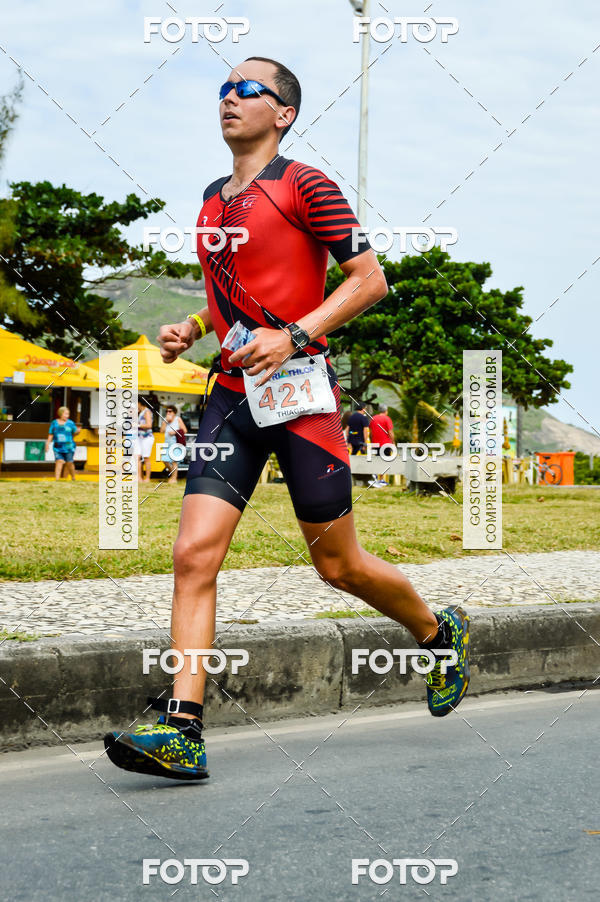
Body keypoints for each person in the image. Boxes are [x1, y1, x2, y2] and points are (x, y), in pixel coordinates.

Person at [104, 57, 470, 781]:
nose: (229, 99)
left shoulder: (306, 184)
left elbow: (370, 280)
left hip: (302, 396)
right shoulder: (212, 199)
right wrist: (190, 325)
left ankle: (436, 631)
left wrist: (296, 336)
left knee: (338, 565)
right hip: (233, 399)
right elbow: (237, 298)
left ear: (284, 113)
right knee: (192, 555)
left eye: (248, 90)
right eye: (222, 89)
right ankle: (183, 730)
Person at [45, 406, 79, 480]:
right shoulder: (54, 423)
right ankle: (57, 479)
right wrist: (47, 443)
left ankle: (73, 477)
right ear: (60, 414)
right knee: (59, 461)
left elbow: (75, 432)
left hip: (69, 447)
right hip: (58, 447)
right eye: (65, 414)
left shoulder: (70, 423)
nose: (67, 416)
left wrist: (78, 431)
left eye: (68, 414)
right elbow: (51, 434)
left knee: (69, 463)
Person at [161, 404, 187, 484]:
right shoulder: (165, 420)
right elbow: (161, 431)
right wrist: (165, 422)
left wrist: (175, 432)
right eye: (167, 411)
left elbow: (184, 430)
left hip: (175, 442)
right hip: (167, 443)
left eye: (170, 411)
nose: (168, 412)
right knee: (164, 460)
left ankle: (174, 478)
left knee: (174, 461)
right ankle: (173, 474)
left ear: (174, 412)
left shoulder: (177, 419)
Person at [135, 399, 154, 483]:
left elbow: (149, 425)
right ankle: (140, 477)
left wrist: (137, 425)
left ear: (139, 403)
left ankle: (147, 478)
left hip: (147, 437)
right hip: (140, 438)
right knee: (139, 457)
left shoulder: (147, 411)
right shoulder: (140, 412)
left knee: (146, 458)